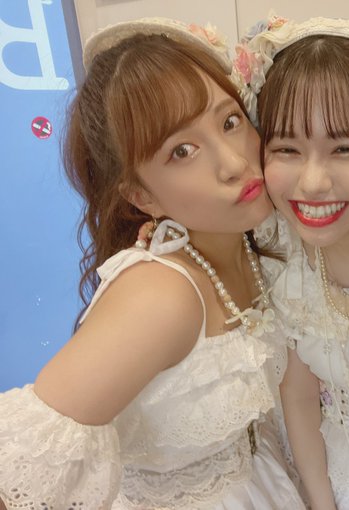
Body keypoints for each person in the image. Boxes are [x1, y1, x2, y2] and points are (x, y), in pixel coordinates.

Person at [0, 18, 304, 510]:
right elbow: (20, 469)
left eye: (230, 121)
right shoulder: (160, 296)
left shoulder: (259, 238)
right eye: (182, 151)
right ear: (141, 196)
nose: (233, 163)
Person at [231, 14, 349, 509]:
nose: (312, 183)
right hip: (334, 476)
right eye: (286, 149)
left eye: (344, 148)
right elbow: (298, 394)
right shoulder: (277, 246)